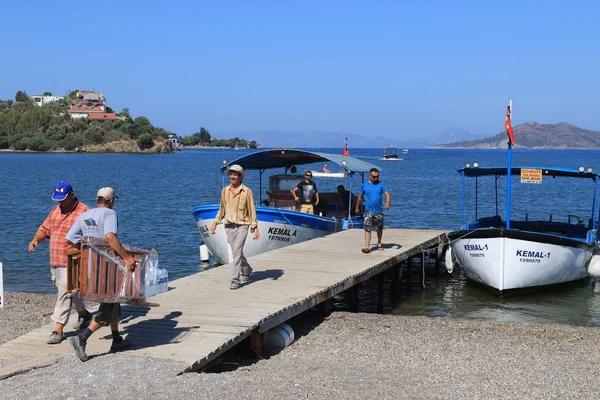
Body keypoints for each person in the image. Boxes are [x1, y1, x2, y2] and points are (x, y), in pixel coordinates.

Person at [66, 187, 137, 361]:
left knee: (115, 302)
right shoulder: (109, 214)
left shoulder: (85, 215)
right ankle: (81, 338)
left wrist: (87, 252)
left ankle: (117, 339)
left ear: (97, 200)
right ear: (111, 201)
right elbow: (110, 237)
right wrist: (127, 258)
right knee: (109, 304)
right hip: (107, 267)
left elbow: (70, 239)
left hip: (91, 267)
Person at [29, 181, 93, 344]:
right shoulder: (56, 210)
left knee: (64, 292)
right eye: (58, 199)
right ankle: (85, 315)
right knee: (71, 292)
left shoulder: (84, 211)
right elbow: (45, 228)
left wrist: (82, 252)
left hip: (74, 260)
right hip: (55, 259)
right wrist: (36, 239)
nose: (60, 202)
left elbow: (93, 236)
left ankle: (58, 329)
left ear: (72, 195)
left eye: (63, 199)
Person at [209, 165, 260, 290]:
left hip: (242, 225)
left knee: (236, 252)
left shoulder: (247, 191)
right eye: (231, 174)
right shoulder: (225, 191)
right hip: (229, 226)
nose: (232, 176)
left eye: (235, 174)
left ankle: (235, 279)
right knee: (236, 252)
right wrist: (215, 222)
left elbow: (252, 211)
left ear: (240, 177)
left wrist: (255, 227)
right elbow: (222, 209)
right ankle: (247, 269)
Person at [355, 168, 391, 253]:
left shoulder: (381, 184)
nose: (376, 178)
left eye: (377, 177)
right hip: (368, 211)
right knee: (367, 229)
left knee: (379, 228)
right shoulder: (364, 185)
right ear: (370, 175)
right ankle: (367, 247)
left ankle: (379, 242)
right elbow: (360, 197)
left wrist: (388, 203)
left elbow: (387, 194)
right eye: (374, 177)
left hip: (378, 211)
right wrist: (356, 207)